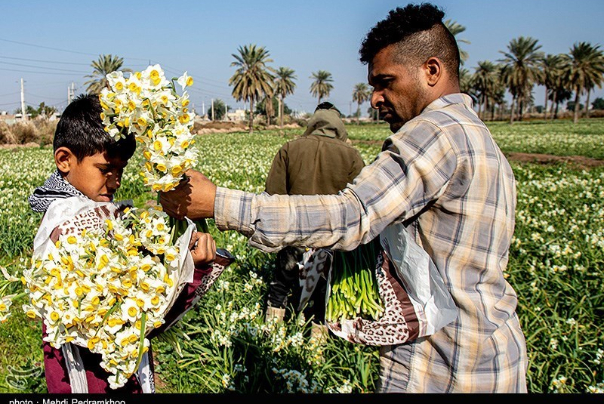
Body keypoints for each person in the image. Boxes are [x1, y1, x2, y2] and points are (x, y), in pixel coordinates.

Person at [159, 2, 527, 393]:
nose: (375, 98)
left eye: (385, 81)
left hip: (447, 367)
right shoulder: (477, 136)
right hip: (487, 354)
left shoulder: (436, 132)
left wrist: (219, 203)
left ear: (431, 71)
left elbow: (352, 214)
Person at [28, 93, 233, 393]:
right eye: (105, 169)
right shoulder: (65, 226)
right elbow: (137, 313)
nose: (115, 181)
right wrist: (190, 269)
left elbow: (141, 308)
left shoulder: (108, 216)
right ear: (64, 160)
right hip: (87, 382)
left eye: (120, 170)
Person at [263, 102, 365, 341]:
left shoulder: (290, 148)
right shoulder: (351, 156)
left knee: (282, 284)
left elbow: (272, 193)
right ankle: (315, 350)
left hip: (292, 232)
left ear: (313, 122)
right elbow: (361, 201)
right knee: (322, 291)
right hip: (329, 239)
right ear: (339, 126)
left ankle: (270, 338)